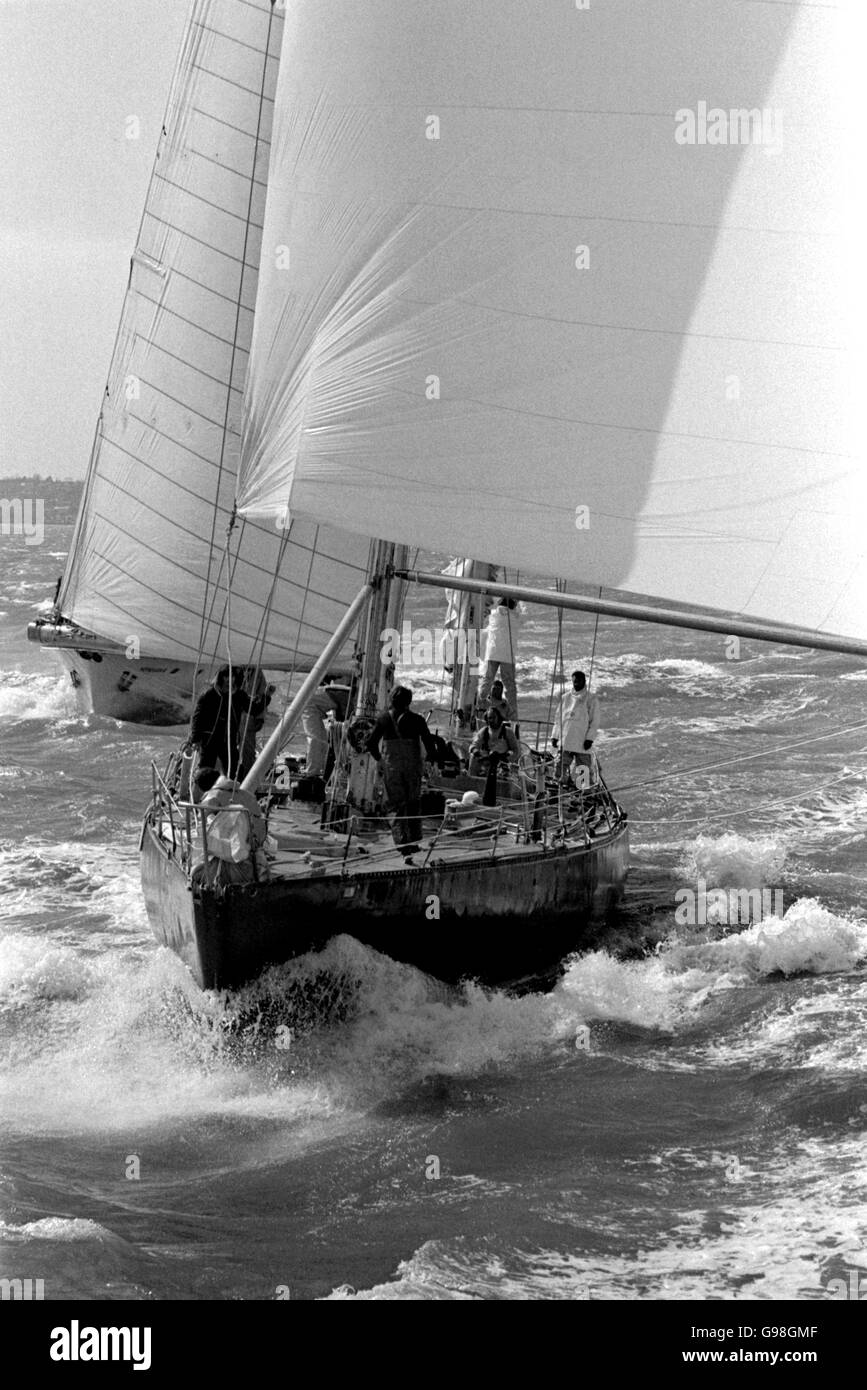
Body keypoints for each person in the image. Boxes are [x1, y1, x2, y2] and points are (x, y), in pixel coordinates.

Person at [366, 685, 439, 864]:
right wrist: (432, 761)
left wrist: (380, 760)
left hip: (392, 768)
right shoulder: (418, 720)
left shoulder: (383, 719)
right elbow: (429, 744)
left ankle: (402, 843)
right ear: (409, 702)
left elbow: (370, 743)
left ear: (391, 699)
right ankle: (415, 841)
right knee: (413, 803)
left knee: (396, 806)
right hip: (412, 768)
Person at [189, 666, 253, 779]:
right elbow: (197, 717)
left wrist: (266, 697)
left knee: (236, 770)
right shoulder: (209, 695)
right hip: (210, 739)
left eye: (232, 676)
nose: (229, 679)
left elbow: (253, 708)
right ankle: (201, 794)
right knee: (205, 771)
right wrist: (195, 739)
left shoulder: (239, 695)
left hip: (229, 740)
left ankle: (231, 793)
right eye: (226, 676)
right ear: (221, 677)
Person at [477, 597, 524, 723]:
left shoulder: (494, 615)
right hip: (507, 655)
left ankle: (479, 705)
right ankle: (513, 715)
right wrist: (520, 602)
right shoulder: (515, 617)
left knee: (487, 680)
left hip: (492, 653)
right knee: (509, 685)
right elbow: (523, 616)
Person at [551, 670, 599, 782]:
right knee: (560, 767)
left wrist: (589, 739)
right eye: (575, 681)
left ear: (584, 681)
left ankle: (585, 793)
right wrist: (555, 736)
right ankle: (558, 788)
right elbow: (558, 719)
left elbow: (595, 722)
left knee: (584, 770)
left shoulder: (591, 699)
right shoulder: (565, 697)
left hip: (582, 741)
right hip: (566, 739)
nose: (577, 683)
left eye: (579, 681)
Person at [468, 707, 521, 794]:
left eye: (493, 717)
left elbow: (516, 751)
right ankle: (472, 783)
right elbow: (473, 745)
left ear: (499, 718)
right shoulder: (484, 731)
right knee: (472, 756)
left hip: (502, 762)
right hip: (486, 761)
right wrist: (476, 752)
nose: (491, 720)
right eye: (489, 718)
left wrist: (507, 759)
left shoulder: (507, 732)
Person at [301, 676, 344, 778]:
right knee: (319, 739)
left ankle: (314, 772)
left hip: (315, 700)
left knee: (317, 739)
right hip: (328, 697)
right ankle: (315, 772)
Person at [236, 667, 274, 780]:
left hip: (248, 718)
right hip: (233, 715)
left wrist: (260, 717)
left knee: (248, 751)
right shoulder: (232, 669)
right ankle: (230, 777)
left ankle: (247, 779)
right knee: (228, 750)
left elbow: (260, 695)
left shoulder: (257, 674)